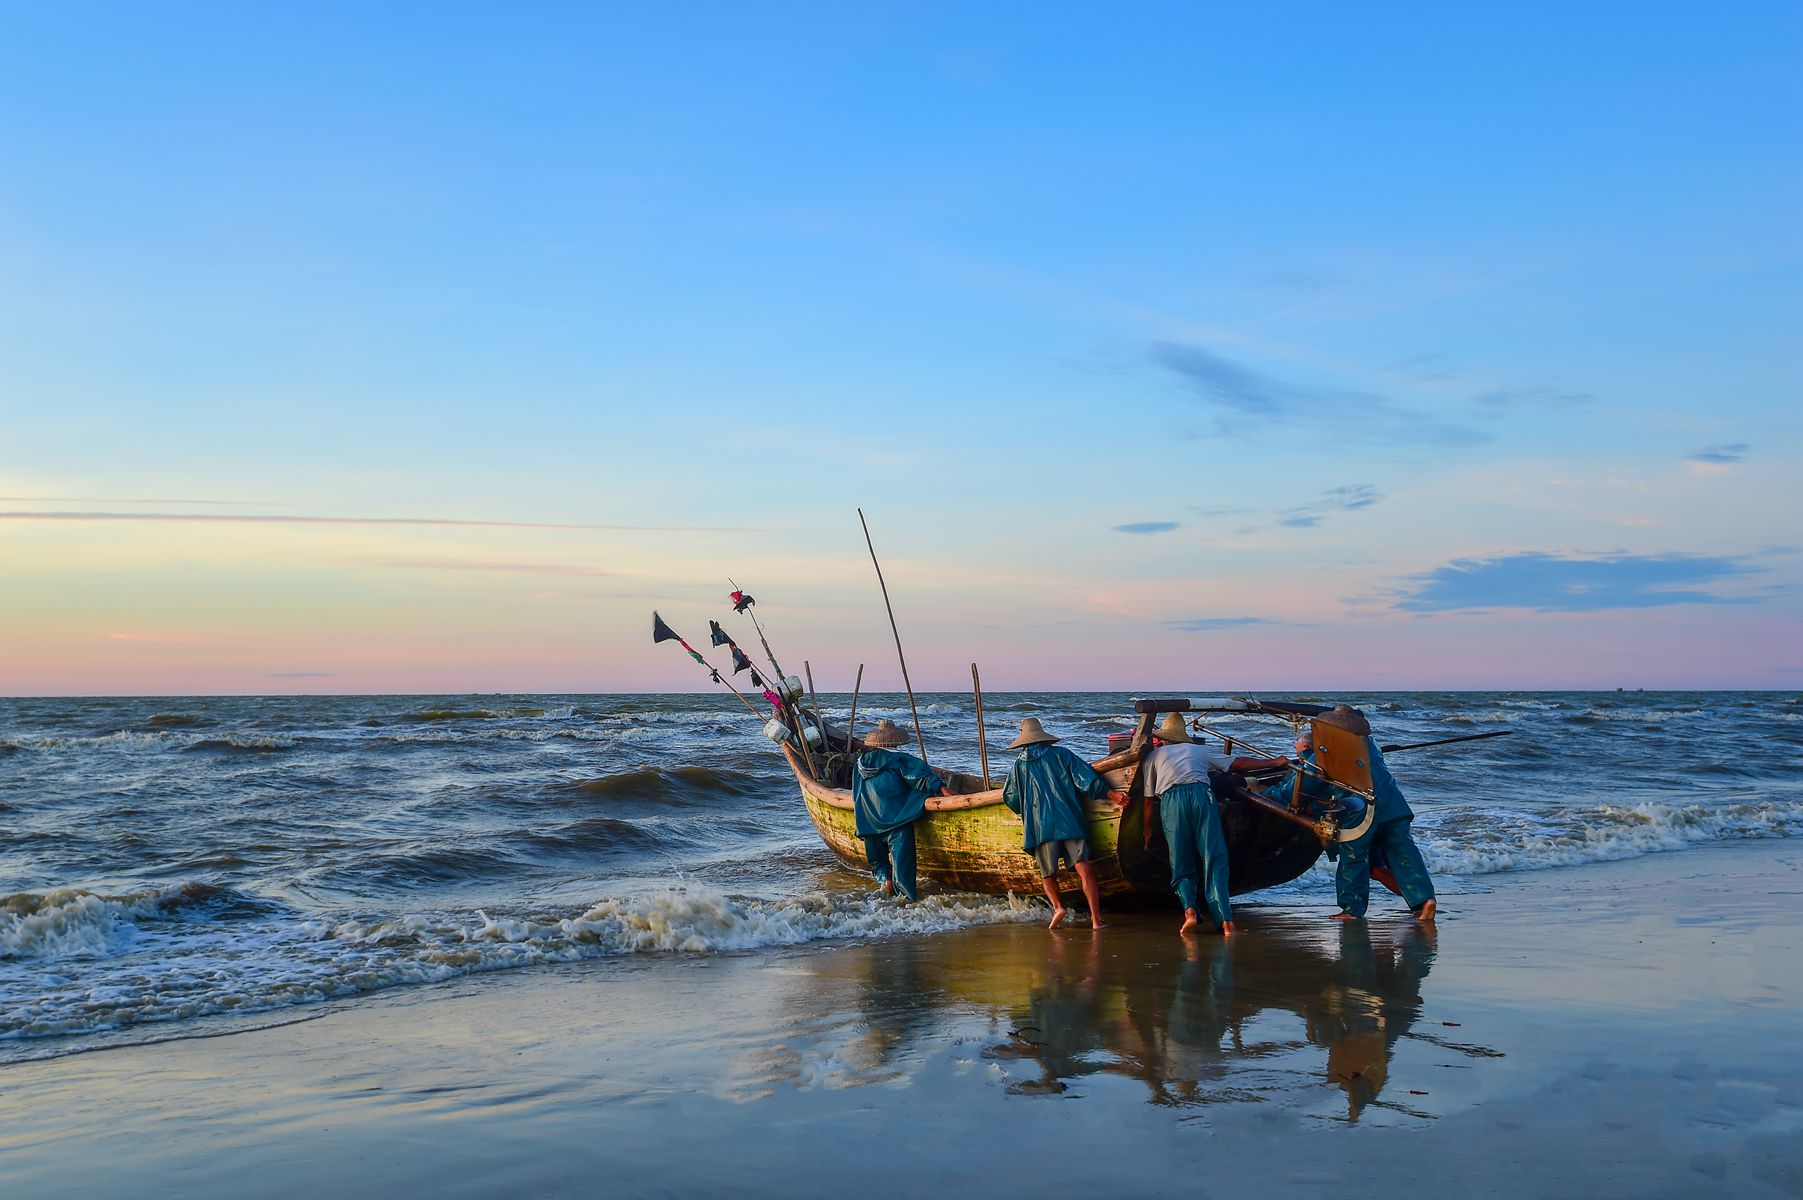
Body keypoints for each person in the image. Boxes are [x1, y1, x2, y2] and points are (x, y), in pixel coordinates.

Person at [1138, 713, 1288, 937]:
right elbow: (1239, 763)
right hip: (1201, 796)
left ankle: (1189, 911)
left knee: (1180, 859)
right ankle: (1226, 922)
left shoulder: (1153, 757)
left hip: (1171, 801)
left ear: (1164, 738)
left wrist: (1147, 830)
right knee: (1214, 857)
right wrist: (1274, 761)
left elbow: (1148, 800)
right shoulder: (1199, 750)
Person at [1315, 706, 1436, 923]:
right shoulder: (1370, 744)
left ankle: (1351, 909)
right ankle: (1425, 900)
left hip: (1364, 805)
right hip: (1395, 804)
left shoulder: (1334, 744)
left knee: (1353, 854)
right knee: (1404, 853)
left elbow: (1317, 773)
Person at [1001, 717, 1113, 930]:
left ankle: (1058, 907)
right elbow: (1086, 779)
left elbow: (1011, 798)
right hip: (1068, 819)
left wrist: (1026, 809)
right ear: (1042, 737)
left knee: (1048, 873)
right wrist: (1110, 793)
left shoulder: (1018, 765)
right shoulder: (1061, 754)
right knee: (1084, 868)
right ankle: (1096, 920)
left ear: (1023, 740)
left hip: (1040, 826)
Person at [852, 718, 944, 901]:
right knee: (903, 871)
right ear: (896, 741)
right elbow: (921, 779)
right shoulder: (900, 759)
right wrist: (944, 789)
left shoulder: (860, 764)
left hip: (868, 823)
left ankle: (885, 888)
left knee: (881, 868)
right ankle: (907, 908)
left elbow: (856, 792)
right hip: (896, 823)